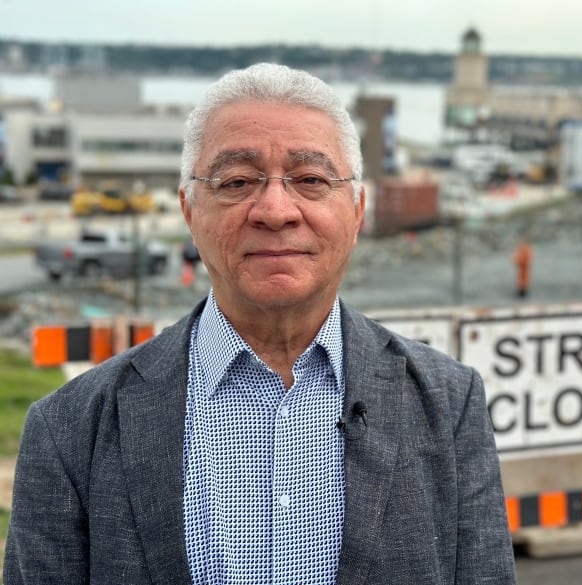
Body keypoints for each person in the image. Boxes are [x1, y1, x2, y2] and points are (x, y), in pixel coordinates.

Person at [4, 63, 516, 584]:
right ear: (189, 209)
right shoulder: (69, 429)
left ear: (358, 210)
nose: (275, 210)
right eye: (238, 181)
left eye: (311, 180)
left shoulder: (449, 403)